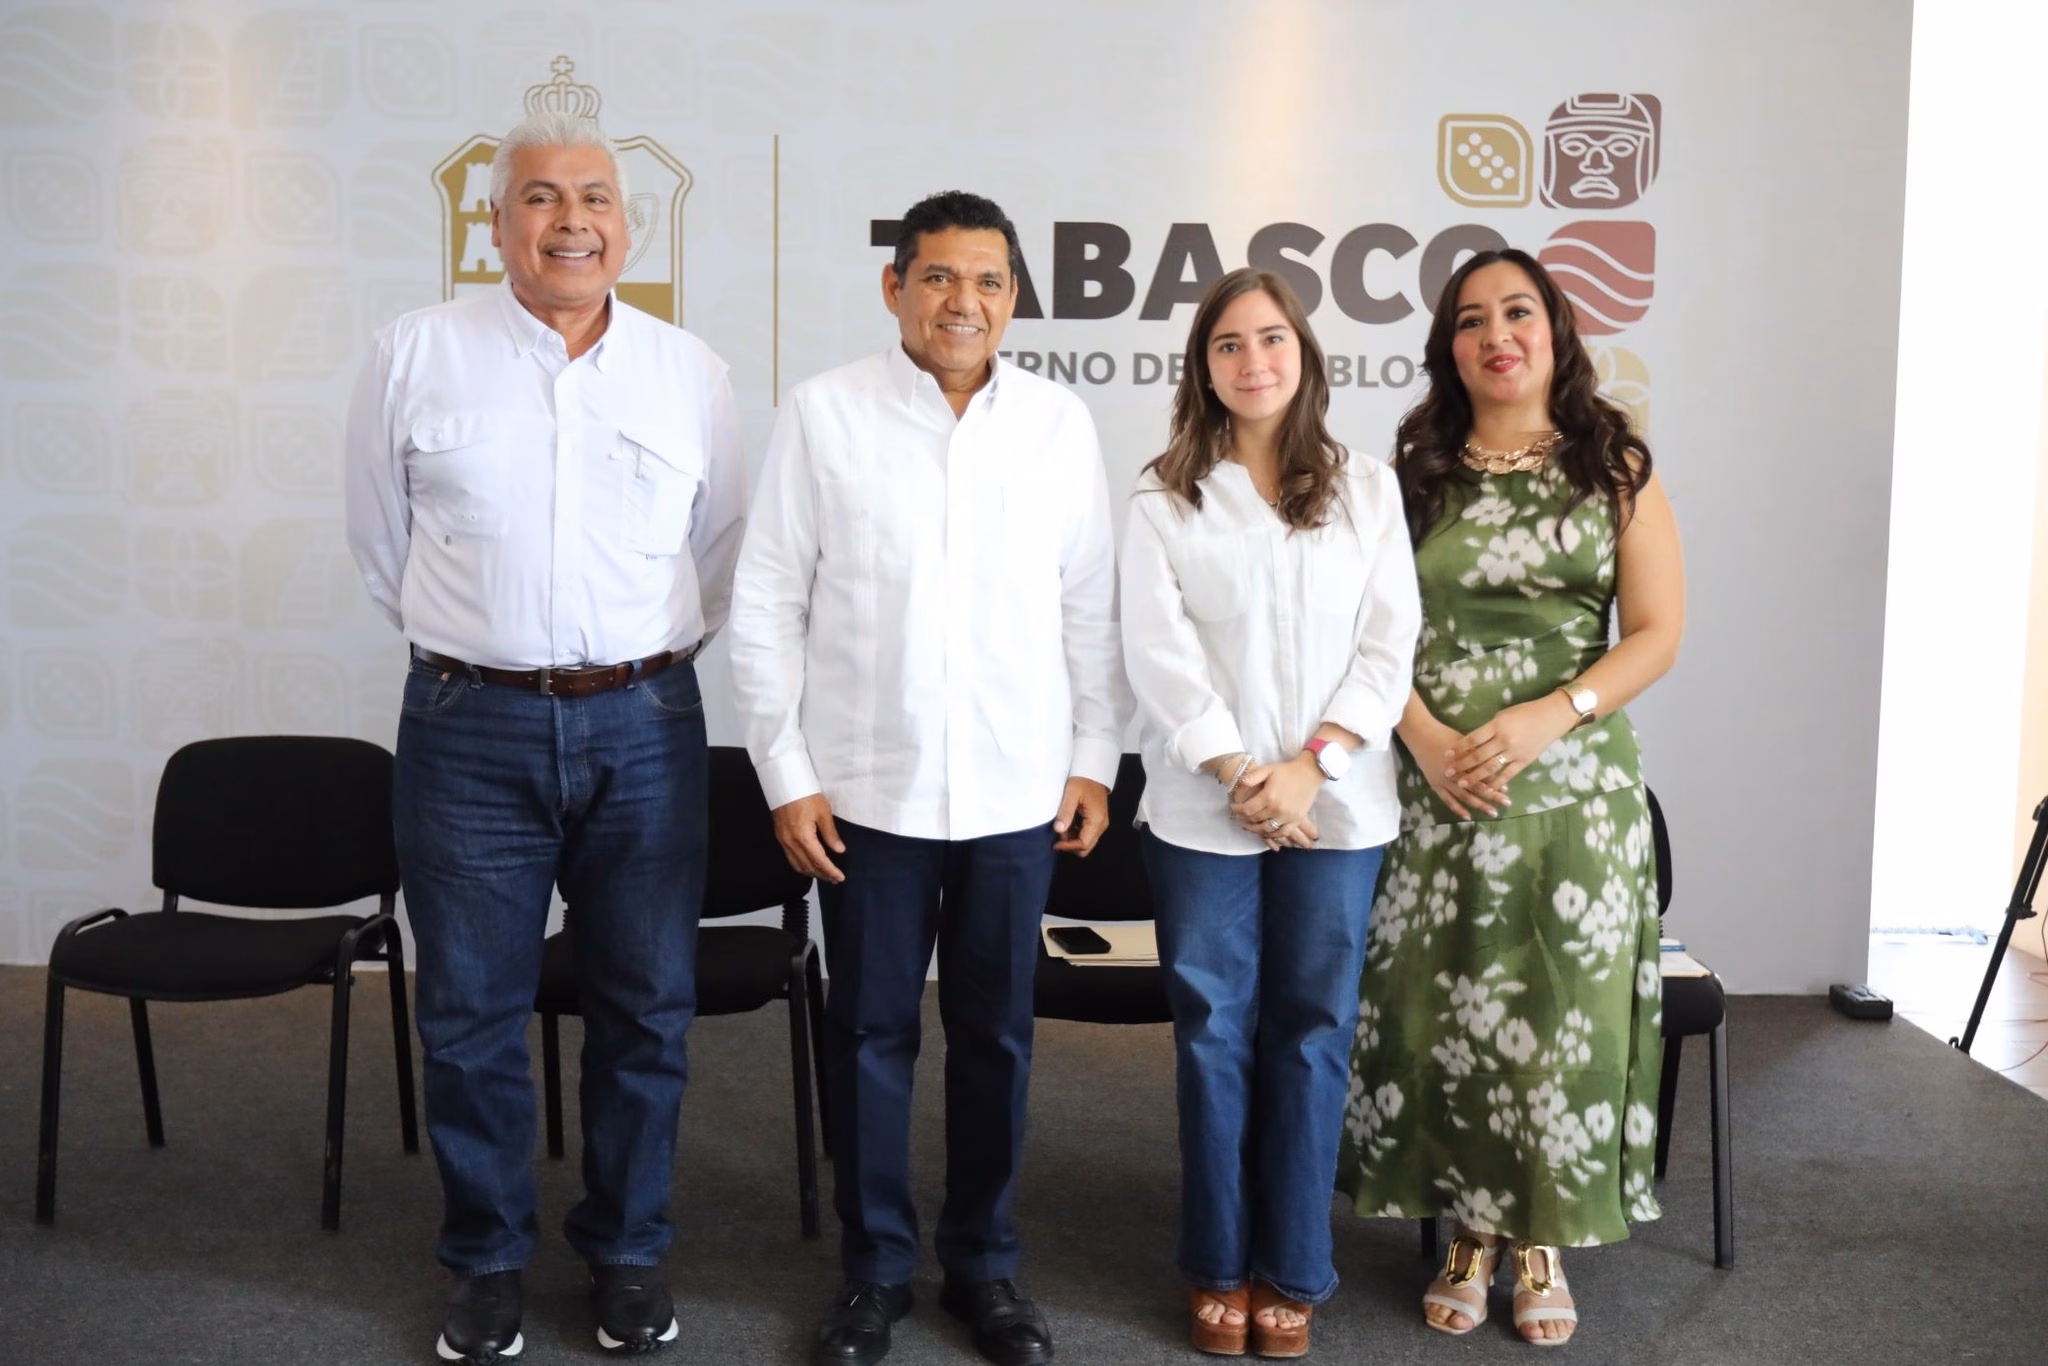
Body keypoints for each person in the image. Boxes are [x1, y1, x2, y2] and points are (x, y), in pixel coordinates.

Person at [344, 111, 745, 1364]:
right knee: (467, 1014)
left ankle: (626, 1252)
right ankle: (486, 1260)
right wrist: (488, 649)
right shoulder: (412, 353)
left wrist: (630, 665)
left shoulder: (694, 373)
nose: (570, 218)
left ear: (628, 224)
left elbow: (722, 555)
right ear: (496, 220)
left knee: (644, 1009)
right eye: (538, 197)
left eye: (595, 197)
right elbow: (378, 547)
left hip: (646, 725)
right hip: (468, 726)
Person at [727, 190, 1130, 1366]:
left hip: (1015, 794)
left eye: (990, 281)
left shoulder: (1056, 423)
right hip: (865, 795)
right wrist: (786, 773)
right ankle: (872, 1272)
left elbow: (1087, 609)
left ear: (1013, 297)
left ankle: (985, 1267)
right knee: (867, 1033)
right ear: (896, 286)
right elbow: (764, 609)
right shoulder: (823, 415)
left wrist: (1093, 758)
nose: (966, 302)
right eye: (942, 277)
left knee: (997, 1034)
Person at [1336, 248, 1685, 1346]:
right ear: (1447, 347)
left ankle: (1534, 1238)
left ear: (1554, 329)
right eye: (1471, 319)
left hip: (1570, 795)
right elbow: (1363, 630)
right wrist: (1427, 737)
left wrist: (1549, 716)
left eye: (1517, 312)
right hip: (1433, 784)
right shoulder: (1411, 472)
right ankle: (1462, 1234)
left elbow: (1656, 633)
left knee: (1550, 1021)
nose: (1497, 334)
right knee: (1434, 1016)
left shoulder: (1610, 461)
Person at [1119, 268, 1420, 1358]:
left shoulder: (1367, 490)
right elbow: (1156, 653)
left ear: (1303, 354)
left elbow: (1389, 647)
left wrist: (1312, 765)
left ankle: (1291, 1265)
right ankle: (1215, 1263)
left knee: (1310, 1033)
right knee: (1211, 1033)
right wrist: (1244, 772)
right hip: (1206, 809)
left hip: (1335, 810)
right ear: (1202, 368)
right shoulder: (1163, 497)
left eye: (1270, 340)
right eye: (1228, 346)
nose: (1252, 361)